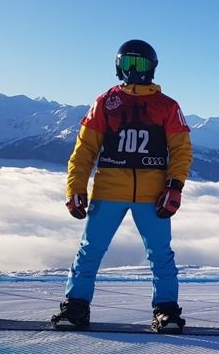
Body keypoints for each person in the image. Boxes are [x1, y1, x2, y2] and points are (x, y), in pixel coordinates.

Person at [52, 40, 194, 332]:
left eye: (140, 64)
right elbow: (84, 150)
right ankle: (76, 307)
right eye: (128, 63)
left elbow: (181, 151)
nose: (133, 70)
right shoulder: (105, 103)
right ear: (118, 66)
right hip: (108, 190)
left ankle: (166, 311)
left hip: (152, 195)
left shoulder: (167, 106)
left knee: (160, 255)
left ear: (152, 68)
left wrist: (174, 187)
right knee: (90, 251)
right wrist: (75, 188)